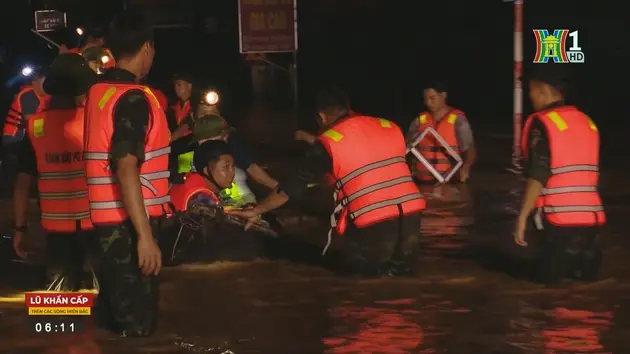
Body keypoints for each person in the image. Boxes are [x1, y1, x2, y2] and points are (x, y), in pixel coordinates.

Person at [231, 87, 426, 277]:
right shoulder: (388, 126)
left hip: (373, 223)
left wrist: (257, 210)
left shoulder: (329, 141)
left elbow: (290, 189)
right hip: (411, 217)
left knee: (364, 290)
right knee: (403, 280)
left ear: (321, 116)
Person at [83, 11, 169, 337]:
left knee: (113, 323)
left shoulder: (99, 92)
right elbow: (126, 166)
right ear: (147, 47)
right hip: (129, 229)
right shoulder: (133, 98)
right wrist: (145, 237)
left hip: (105, 229)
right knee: (138, 329)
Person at [12, 54, 98, 291]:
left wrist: (20, 229)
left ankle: (60, 326)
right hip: (97, 226)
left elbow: (21, 184)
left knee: (59, 308)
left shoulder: (35, 127)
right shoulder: (95, 123)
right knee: (107, 305)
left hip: (57, 232)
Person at [514, 66, 605, 285]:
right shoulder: (586, 121)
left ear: (544, 92)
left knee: (547, 294)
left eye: (531, 91)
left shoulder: (542, 123)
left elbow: (538, 174)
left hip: (559, 224)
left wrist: (522, 217)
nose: (530, 97)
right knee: (585, 297)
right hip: (593, 224)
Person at [170, 112, 278, 207]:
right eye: (222, 136)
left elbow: (251, 171)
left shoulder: (230, 150)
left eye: (226, 136)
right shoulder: (183, 157)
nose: (226, 139)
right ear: (204, 140)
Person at [407, 81, 476, 183]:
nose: (428, 103)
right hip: (422, 181)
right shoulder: (419, 120)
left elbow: (469, 149)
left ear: (443, 95)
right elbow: (406, 146)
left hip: (450, 181)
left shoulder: (458, 120)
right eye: (425, 99)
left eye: (432, 98)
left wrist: (466, 167)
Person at [3, 69, 49, 147]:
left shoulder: (43, 96)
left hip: (23, 137)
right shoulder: (28, 94)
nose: (47, 86)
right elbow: (31, 121)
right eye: (45, 83)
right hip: (14, 137)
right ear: (35, 82)